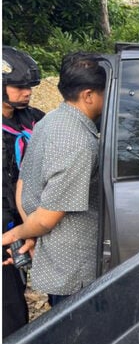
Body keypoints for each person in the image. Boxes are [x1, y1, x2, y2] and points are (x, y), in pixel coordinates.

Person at [1, 53, 106, 307]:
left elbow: (23, 184)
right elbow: (47, 218)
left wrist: (31, 232)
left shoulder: (47, 121)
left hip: (56, 259)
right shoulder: (78, 142)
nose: (26, 92)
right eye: (105, 92)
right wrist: (17, 233)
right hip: (73, 271)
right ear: (88, 95)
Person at [2, 46, 44, 337]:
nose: (27, 92)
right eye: (19, 87)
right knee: (10, 311)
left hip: (28, 222)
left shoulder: (33, 119)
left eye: (29, 86)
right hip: (6, 227)